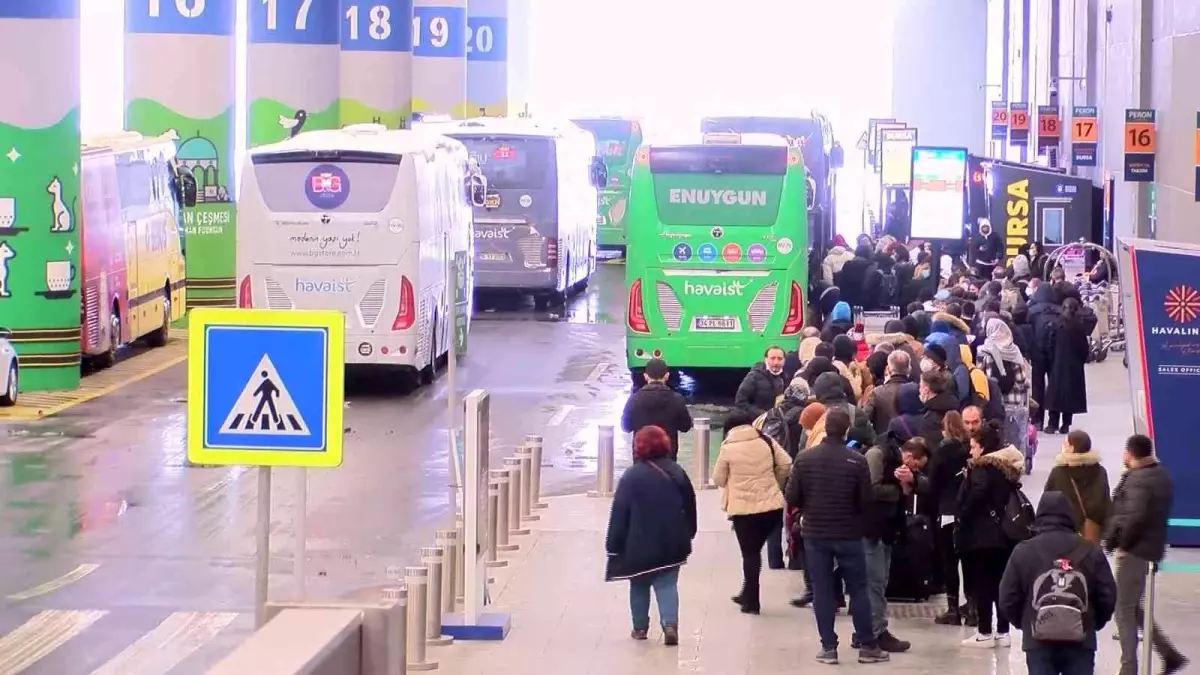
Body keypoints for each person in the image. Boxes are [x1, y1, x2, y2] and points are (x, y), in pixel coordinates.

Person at [785, 408, 890, 664]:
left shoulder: (804, 458)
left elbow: (791, 497)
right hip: (849, 534)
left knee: (822, 591)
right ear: (846, 431)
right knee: (859, 589)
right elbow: (866, 502)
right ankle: (867, 645)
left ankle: (829, 648)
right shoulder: (857, 461)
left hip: (816, 534)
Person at [998, 492, 1117, 674]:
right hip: (1081, 640)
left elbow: (1007, 597)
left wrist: (1028, 622)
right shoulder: (1090, 551)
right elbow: (1108, 595)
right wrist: (1090, 622)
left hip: (1038, 641)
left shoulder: (1023, 551)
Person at [605, 426, 699, 645]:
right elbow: (690, 506)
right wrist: (689, 533)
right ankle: (669, 624)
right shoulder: (676, 471)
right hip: (671, 542)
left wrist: (613, 545)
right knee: (667, 584)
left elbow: (620, 513)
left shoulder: (631, 476)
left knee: (638, 585)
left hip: (638, 545)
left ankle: (639, 628)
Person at [1107, 434, 1188, 675]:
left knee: (1123, 611)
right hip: (1149, 548)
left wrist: (1120, 543)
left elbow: (1134, 517)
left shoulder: (1138, 479)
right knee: (1134, 608)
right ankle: (1169, 654)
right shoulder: (1159, 474)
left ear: (1130, 453)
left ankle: (1128, 668)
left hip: (1134, 551)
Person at [712, 411, 791, 615]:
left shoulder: (728, 447)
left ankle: (752, 602)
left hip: (744, 511)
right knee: (755, 550)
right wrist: (774, 482)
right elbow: (786, 463)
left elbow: (718, 479)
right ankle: (746, 593)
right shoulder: (766, 440)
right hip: (771, 508)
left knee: (750, 554)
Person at [957, 420, 1026, 648]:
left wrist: (964, 514)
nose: (970, 450)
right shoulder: (1006, 469)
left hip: (982, 536)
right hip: (1004, 534)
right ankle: (1003, 632)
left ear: (983, 447)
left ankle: (985, 631)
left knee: (983, 585)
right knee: (1000, 584)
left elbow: (978, 493)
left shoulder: (981, 469)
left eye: (973, 446)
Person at [858, 431, 912, 653]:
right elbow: (869, 490)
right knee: (875, 582)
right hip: (873, 529)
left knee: (878, 581)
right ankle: (877, 632)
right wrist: (899, 489)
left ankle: (864, 631)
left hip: (885, 529)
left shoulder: (889, 457)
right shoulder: (876, 456)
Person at [929, 410, 973, 626]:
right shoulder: (969, 449)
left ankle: (953, 609)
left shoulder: (943, 450)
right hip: (967, 512)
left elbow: (933, 482)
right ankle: (972, 608)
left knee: (949, 561)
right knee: (968, 562)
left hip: (946, 511)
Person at [1043, 430, 1110, 544]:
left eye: (1065, 444)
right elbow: (1105, 502)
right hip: (1091, 530)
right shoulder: (1100, 471)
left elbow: (1047, 502)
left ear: (1072, 448)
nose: (1062, 446)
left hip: (1064, 531)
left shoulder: (1058, 473)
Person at [975, 318, 1031, 453]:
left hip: (993, 402)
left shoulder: (983, 351)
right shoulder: (1014, 350)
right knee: (1015, 437)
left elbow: (980, 376)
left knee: (995, 436)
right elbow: (1021, 380)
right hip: (1014, 402)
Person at [621, 358, 694, 460]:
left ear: (645, 376)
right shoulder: (677, 400)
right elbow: (685, 427)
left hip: (641, 462)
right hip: (668, 462)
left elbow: (626, 427)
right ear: (667, 376)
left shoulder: (634, 400)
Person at [1045, 298, 1089, 434]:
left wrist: (1051, 361)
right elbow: (1084, 349)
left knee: (1055, 395)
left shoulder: (1056, 325)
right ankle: (1066, 424)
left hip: (1057, 365)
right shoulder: (1079, 327)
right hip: (1074, 367)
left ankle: (1052, 423)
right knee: (1070, 396)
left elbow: (1049, 345)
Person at [863, 351, 912, 434]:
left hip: (884, 441)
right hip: (911, 441)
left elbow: (863, 419)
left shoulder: (877, 392)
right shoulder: (917, 391)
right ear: (909, 369)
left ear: (888, 369)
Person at [735, 346, 787, 418]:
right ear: (766, 359)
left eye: (780, 359)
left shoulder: (786, 376)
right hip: (756, 420)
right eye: (772, 358)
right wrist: (762, 414)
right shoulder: (754, 376)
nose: (776, 362)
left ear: (784, 360)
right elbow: (740, 402)